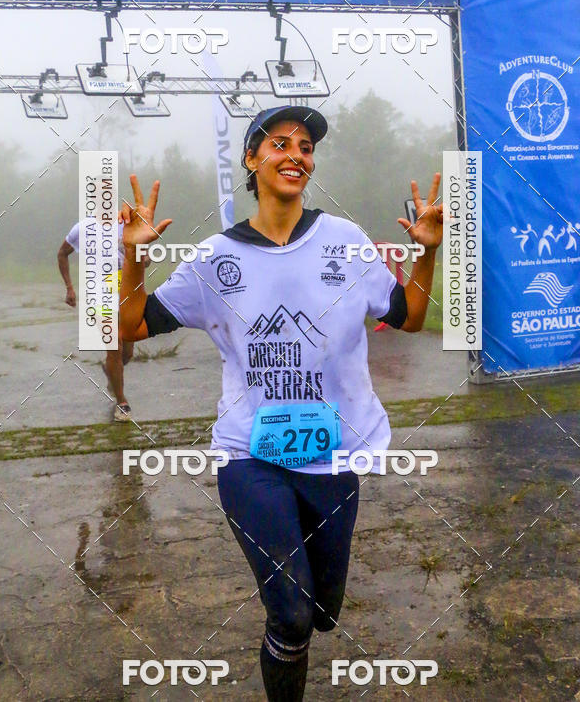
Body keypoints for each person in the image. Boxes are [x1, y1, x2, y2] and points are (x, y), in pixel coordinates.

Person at [118, 105, 443, 700]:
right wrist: (135, 259)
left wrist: (426, 253)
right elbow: (130, 327)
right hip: (250, 458)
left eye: (306, 146)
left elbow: (410, 317)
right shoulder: (217, 257)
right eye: (280, 143)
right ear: (251, 159)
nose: (297, 154)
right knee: (291, 615)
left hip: (335, 457)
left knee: (321, 613)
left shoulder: (343, 240)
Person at [58, 217, 135, 421]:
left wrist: (142, 257)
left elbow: (143, 258)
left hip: (124, 288)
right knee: (115, 347)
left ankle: (111, 372)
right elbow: (62, 253)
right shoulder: (82, 229)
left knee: (128, 352)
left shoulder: (126, 226)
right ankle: (122, 402)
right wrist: (69, 288)